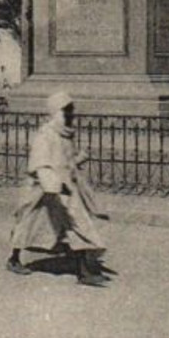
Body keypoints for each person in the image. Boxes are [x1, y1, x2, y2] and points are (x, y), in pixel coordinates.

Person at [8, 91, 110, 287]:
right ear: (55, 112)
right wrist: (52, 182)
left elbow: (65, 159)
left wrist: (78, 159)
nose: (71, 115)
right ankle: (13, 259)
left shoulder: (65, 135)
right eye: (66, 111)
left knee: (76, 224)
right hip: (44, 191)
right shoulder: (45, 135)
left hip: (65, 190)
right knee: (28, 225)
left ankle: (84, 271)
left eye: (71, 111)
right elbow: (39, 163)